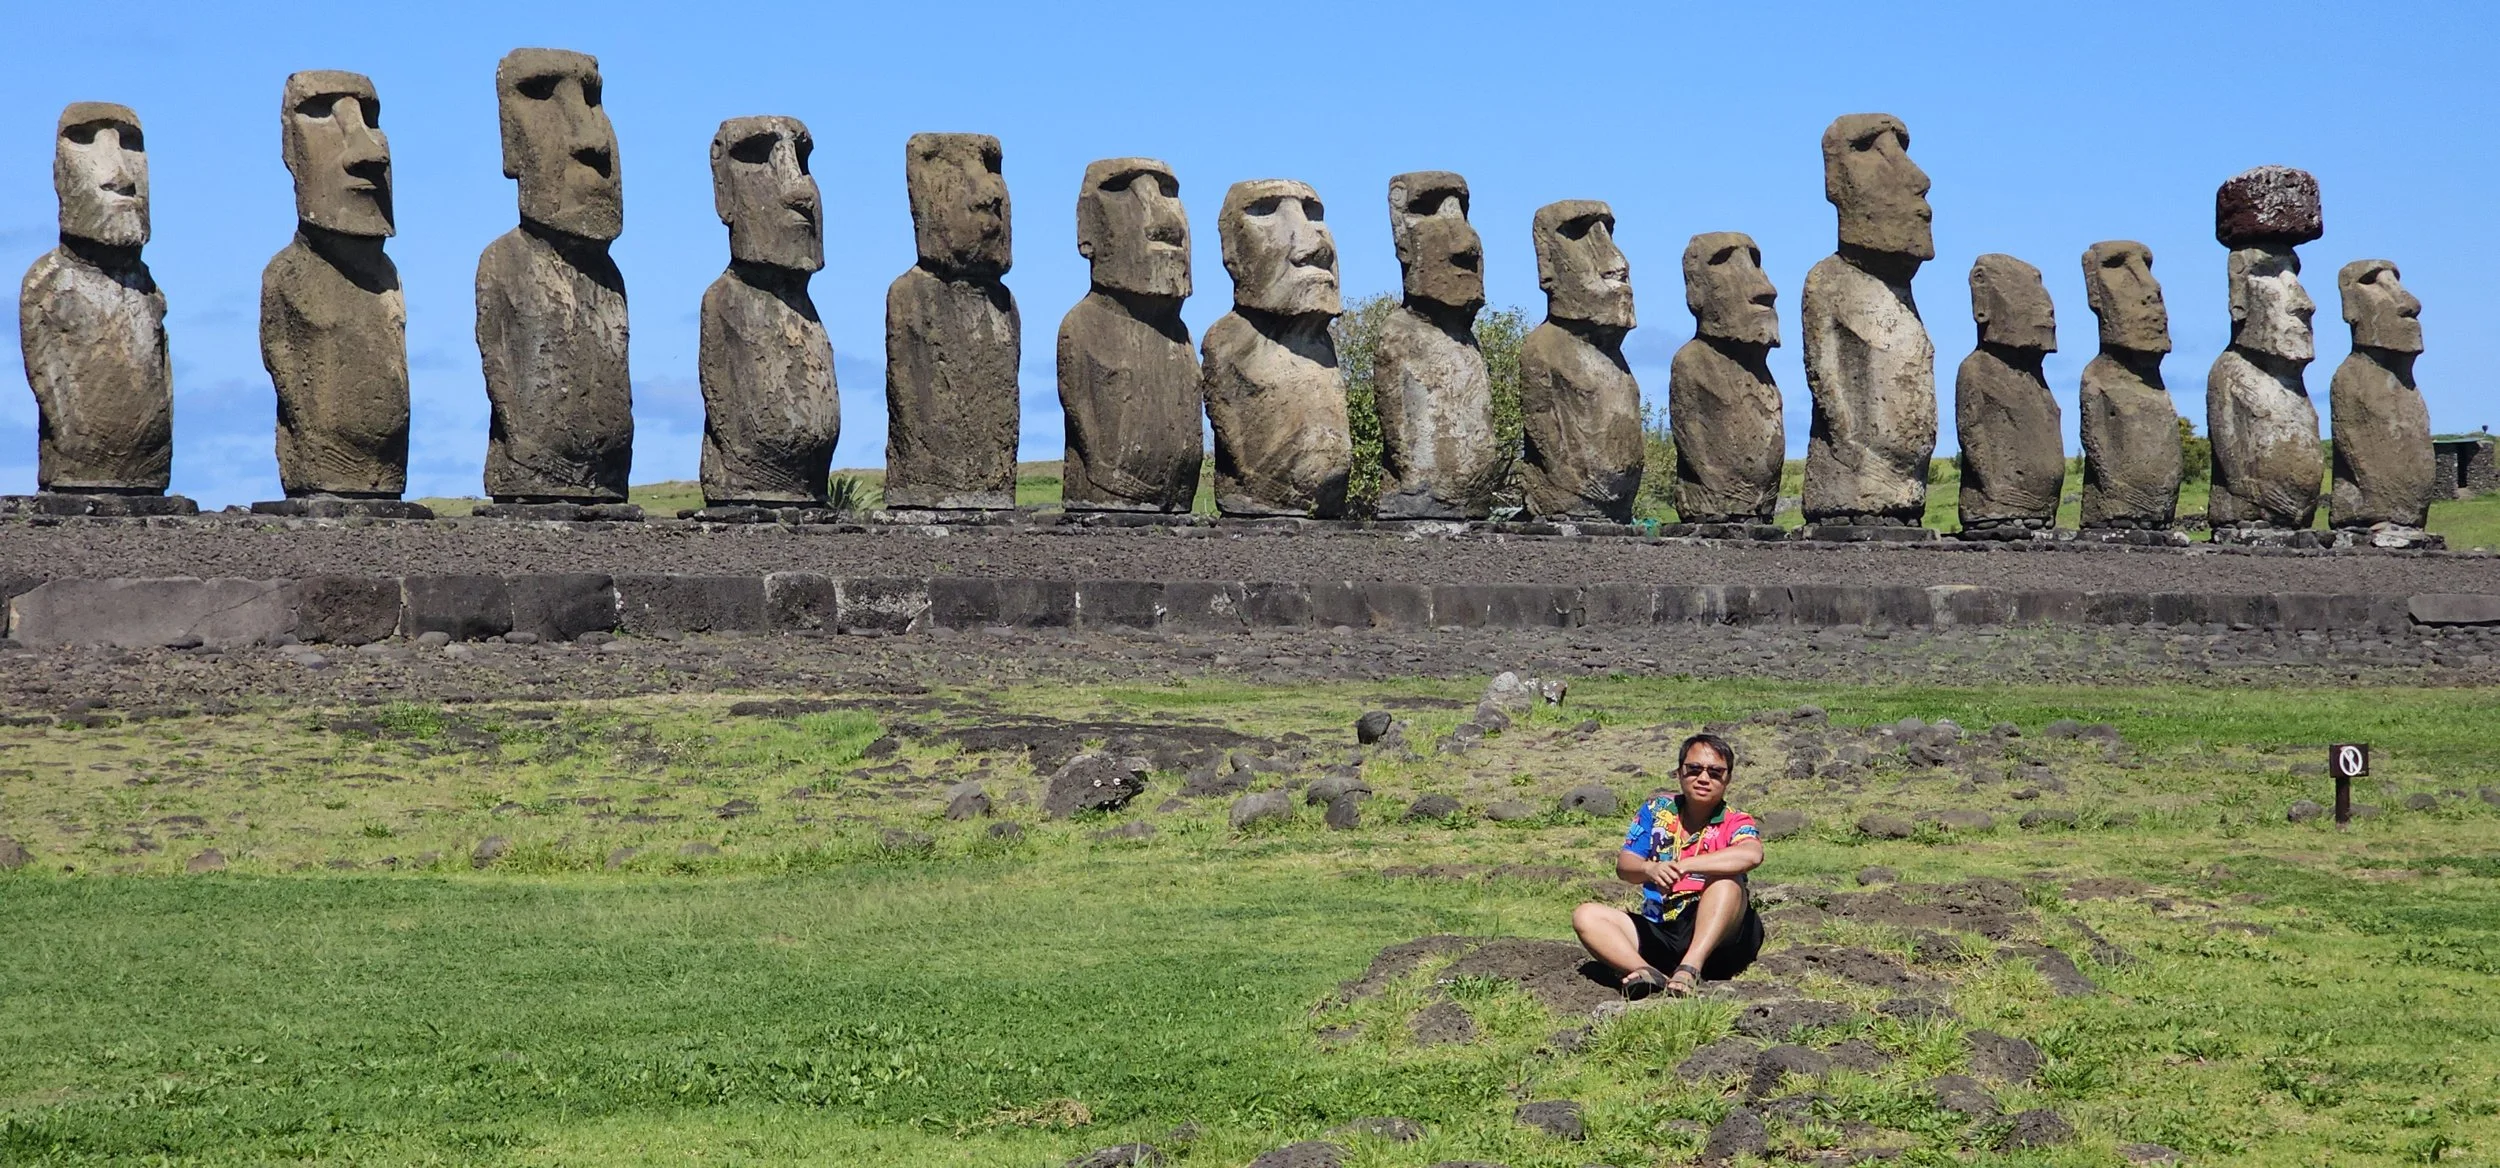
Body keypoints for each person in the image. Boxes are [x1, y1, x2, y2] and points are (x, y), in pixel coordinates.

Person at [1571, 732, 1765, 999]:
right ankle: (1647, 972)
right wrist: (1649, 869)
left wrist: (1686, 865)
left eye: (1715, 772)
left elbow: (1751, 855)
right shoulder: (1656, 809)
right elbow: (1625, 865)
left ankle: (1691, 968)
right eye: (1694, 769)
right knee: (1587, 915)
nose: (1703, 778)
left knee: (1726, 883)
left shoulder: (1737, 821)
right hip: (1660, 926)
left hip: (1718, 937)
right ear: (1679, 772)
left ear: (1728, 778)